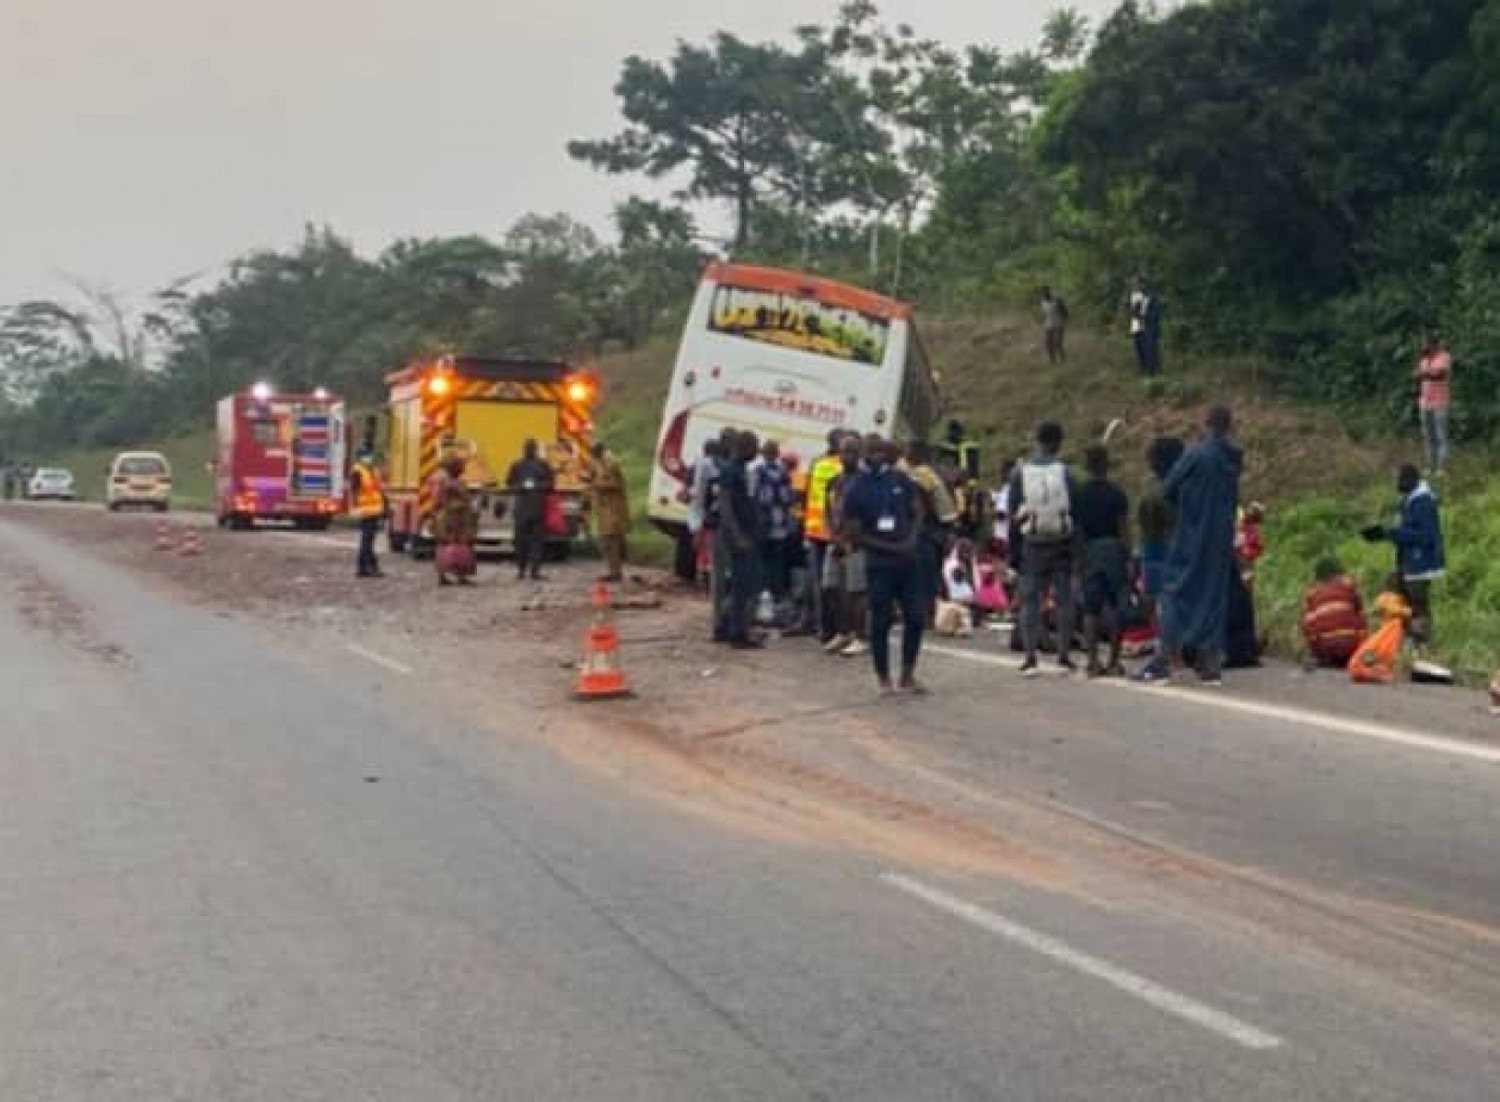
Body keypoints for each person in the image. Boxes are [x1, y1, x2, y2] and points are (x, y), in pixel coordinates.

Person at [1139, 406, 1242, 685]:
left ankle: (1164, 659)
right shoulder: (1233, 457)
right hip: (1221, 536)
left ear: (1206, 423)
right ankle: (1209, 663)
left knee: (1174, 592)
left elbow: (1168, 489)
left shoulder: (1195, 454)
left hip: (1192, 532)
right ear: (1229, 425)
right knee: (1213, 596)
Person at [842, 435, 925, 694]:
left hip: (908, 561)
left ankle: (908, 674)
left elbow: (917, 510)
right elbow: (854, 532)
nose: (877, 455)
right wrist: (890, 547)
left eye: (881, 450)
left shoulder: (902, 480)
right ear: (864, 454)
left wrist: (911, 539)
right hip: (879, 563)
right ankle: (883, 678)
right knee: (881, 620)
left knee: (916, 617)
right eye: (872, 451)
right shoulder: (856, 487)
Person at [1008, 421, 1080, 677]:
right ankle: (1063, 655)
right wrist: (1076, 549)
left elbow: (1012, 515)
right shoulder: (1066, 473)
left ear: (1036, 440)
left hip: (1032, 543)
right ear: (1058, 442)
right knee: (1064, 599)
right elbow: (1075, 512)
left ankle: (1030, 657)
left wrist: (1013, 550)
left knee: (1030, 600)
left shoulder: (1020, 473)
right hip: (1061, 542)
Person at [1363, 463, 1444, 648]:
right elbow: (1407, 530)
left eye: (1399, 480)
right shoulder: (1409, 500)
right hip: (1407, 560)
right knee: (1393, 589)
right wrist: (1385, 533)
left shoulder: (1423, 502)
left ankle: (1420, 642)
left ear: (1410, 480)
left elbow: (1426, 536)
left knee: (1418, 602)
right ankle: (1402, 635)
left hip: (1421, 562)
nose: (1396, 484)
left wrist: (1394, 533)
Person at [1074, 444, 1131, 678]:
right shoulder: (1117, 494)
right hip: (1113, 548)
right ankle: (1114, 661)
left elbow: (1076, 530)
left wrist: (1078, 558)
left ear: (1087, 467)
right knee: (1116, 605)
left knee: (1091, 608)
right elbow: (1124, 528)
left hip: (1090, 548)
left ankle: (1092, 661)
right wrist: (1127, 556)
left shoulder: (1080, 495)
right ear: (1107, 465)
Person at [822, 433, 869, 658]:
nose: (846, 456)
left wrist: (848, 538)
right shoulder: (835, 481)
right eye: (843, 451)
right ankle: (843, 631)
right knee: (830, 588)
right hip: (835, 541)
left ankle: (860, 636)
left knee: (856, 591)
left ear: (859, 454)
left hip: (857, 543)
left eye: (851, 451)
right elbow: (828, 509)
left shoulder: (865, 481)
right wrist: (833, 533)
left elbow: (863, 516)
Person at [716, 430, 764, 649]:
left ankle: (726, 627)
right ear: (745, 447)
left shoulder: (743, 469)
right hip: (738, 538)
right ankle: (737, 633)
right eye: (755, 447)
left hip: (747, 535)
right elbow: (725, 507)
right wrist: (737, 536)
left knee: (739, 585)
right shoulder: (731, 471)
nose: (757, 452)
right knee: (741, 587)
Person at [802, 430, 847, 642]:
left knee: (825, 583)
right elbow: (808, 493)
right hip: (822, 531)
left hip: (826, 531)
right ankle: (821, 626)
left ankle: (822, 625)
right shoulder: (829, 464)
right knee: (821, 583)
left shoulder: (823, 463)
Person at [905, 440, 959, 621]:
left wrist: (915, 527)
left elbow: (924, 505)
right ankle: (932, 610)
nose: (906, 455)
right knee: (932, 571)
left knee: (924, 571)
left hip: (931, 527)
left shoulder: (920, 474)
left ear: (918, 454)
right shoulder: (930, 472)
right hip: (944, 525)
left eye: (909, 451)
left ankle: (926, 613)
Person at [1137, 436, 1185, 625]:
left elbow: (1146, 528)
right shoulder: (1188, 489)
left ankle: (1164, 644)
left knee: (1156, 599)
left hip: (1154, 552)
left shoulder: (1152, 493)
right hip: (1182, 551)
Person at [1301, 558, 1366, 668]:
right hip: (1352, 647)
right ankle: (1358, 655)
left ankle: (1324, 657)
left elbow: (1308, 626)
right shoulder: (1348, 585)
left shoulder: (1312, 593)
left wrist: (1315, 650)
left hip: (1326, 650)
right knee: (1360, 615)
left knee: (1309, 621)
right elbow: (1359, 606)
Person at [1349, 574, 1412, 685]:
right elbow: (1393, 609)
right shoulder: (1391, 601)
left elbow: (1375, 609)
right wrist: (1408, 611)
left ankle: (1376, 669)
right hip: (1388, 638)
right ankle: (1379, 669)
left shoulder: (1384, 599)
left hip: (1381, 640)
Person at [754, 439, 795, 607]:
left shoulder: (758, 471)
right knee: (775, 561)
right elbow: (788, 498)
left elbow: (755, 497)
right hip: (778, 524)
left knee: (765, 560)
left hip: (767, 524)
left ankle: (765, 593)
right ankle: (774, 594)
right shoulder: (782, 472)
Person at [506, 438, 553, 581]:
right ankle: (521, 570)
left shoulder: (543, 465)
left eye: (531, 448)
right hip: (522, 508)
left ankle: (534, 571)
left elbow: (550, 485)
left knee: (536, 542)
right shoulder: (516, 466)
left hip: (537, 508)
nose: (529, 450)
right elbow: (509, 484)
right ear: (523, 449)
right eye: (527, 448)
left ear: (535, 449)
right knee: (520, 542)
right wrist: (521, 487)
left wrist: (537, 486)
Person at [431, 454, 478, 587]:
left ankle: (443, 575)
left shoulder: (440, 480)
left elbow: (437, 500)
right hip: (457, 517)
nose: (463, 469)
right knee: (462, 545)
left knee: (444, 544)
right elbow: (465, 498)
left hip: (445, 517)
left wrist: (434, 512)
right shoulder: (455, 482)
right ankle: (461, 576)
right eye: (461, 466)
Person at [589, 441, 630, 583]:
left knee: (612, 540)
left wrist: (597, 485)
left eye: (593, 453)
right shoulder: (601, 462)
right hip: (605, 508)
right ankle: (612, 571)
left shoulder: (611, 463)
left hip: (613, 508)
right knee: (606, 540)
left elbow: (617, 484)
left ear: (599, 451)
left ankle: (616, 572)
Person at [1414, 336, 1453, 475]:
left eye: (1426, 344)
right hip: (1425, 402)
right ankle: (1430, 466)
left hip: (1440, 402)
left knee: (1440, 435)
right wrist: (1422, 376)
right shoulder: (1423, 360)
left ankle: (1442, 467)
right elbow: (1418, 378)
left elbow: (1440, 375)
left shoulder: (1444, 357)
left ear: (1434, 345)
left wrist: (1423, 374)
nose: (1424, 347)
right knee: (1428, 436)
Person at [348, 450, 387, 579]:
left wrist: (385, 507)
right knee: (367, 541)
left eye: (369, 456)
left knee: (368, 541)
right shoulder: (358, 471)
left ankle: (365, 568)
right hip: (367, 511)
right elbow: (354, 491)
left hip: (374, 510)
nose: (368, 458)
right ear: (360, 458)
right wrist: (355, 508)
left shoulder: (371, 470)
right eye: (366, 457)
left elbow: (379, 489)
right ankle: (367, 567)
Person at [1129, 277, 1162, 376]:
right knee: (1139, 348)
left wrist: (1144, 316)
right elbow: (1132, 311)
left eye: (1138, 284)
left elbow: (1156, 313)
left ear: (1143, 285)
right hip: (1137, 326)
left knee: (1150, 349)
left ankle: (1152, 372)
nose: (1136, 286)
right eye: (1134, 284)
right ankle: (1142, 369)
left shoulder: (1152, 296)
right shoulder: (1134, 296)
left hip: (1149, 327)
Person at [1041, 286, 1069, 364]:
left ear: (1049, 292)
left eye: (1046, 292)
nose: (1045, 294)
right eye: (1043, 293)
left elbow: (1065, 312)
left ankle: (1063, 359)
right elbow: (1045, 313)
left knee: (1058, 343)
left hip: (1059, 323)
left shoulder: (1057, 300)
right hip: (1048, 324)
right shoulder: (1043, 301)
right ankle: (1052, 360)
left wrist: (1064, 319)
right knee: (1048, 343)